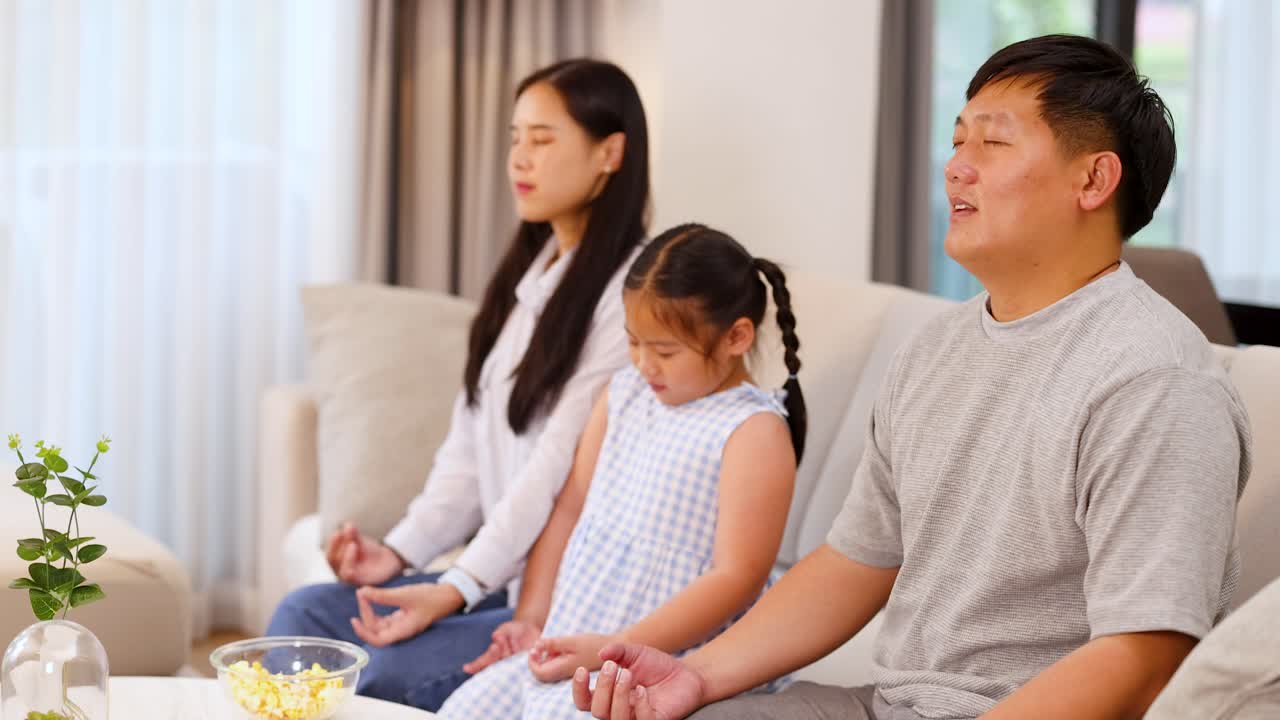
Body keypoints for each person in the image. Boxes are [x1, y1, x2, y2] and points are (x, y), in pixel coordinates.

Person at [573, 34, 1252, 720]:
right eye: (958, 142)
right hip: (890, 705)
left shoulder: (1155, 379)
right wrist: (696, 675)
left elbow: (1143, 653)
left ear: (1093, 180)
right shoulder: (936, 349)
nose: (956, 167)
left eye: (992, 143)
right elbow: (853, 562)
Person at [266, 58, 651, 712]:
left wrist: (454, 587)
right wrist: (400, 552)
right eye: (514, 138)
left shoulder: (632, 296)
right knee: (304, 617)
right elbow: (469, 451)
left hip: (564, 601)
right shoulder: (529, 282)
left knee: (377, 675)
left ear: (609, 153)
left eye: (543, 138)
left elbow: (554, 469)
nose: (519, 159)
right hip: (498, 585)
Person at [436, 223, 808, 719]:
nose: (645, 364)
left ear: (736, 336)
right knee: (465, 709)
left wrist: (617, 645)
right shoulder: (625, 393)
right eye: (635, 343)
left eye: (666, 351)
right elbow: (570, 508)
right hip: (578, 643)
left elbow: (736, 577)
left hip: (661, 662)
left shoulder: (753, 431)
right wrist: (537, 618)